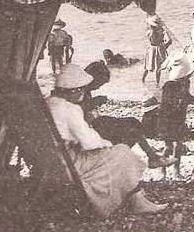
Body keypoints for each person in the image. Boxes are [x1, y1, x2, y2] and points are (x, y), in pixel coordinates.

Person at [45, 64, 169, 217]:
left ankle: (137, 199)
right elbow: (90, 142)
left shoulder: (49, 103)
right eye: (81, 89)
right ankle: (138, 202)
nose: (83, 92)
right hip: (72, 165)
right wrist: (109, 146)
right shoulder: (70, 109)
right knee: (122, 151)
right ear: (74, 90)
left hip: (55, 162)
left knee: (117, 151)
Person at [81, 61, 174, 168]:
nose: (99, 87)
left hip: (92, 124)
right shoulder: (80, 90)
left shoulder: (83, 88)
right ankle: (147, 158)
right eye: (99, 83)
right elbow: (75, 111)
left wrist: (93, 104)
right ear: (93, 78)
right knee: (131, 127)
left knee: (133, 123)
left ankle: (151, 157)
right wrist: (94, 102)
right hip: (88, 128)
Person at [156, 59, 194, 158]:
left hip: (180, 117)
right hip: (168, 118)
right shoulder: (169, 86)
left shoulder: (186, 83)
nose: (189, 76)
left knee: (177, 144)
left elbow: (187, 96)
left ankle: (175, 169)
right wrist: (183, 100)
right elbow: (167, 105)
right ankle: (165, 168)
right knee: (170, 145)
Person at [142, 14, 171, 85]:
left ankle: (143, 81)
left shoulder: (149, 32)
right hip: (159, 49)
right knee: (158, 67)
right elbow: (170, 41)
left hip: (151, 49)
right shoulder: (162, 32)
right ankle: (157, 83)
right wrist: (164, 47)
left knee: (148, 67)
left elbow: (151, 37)